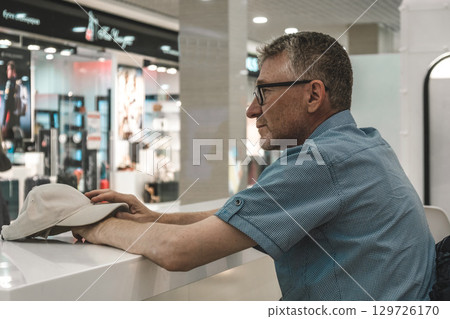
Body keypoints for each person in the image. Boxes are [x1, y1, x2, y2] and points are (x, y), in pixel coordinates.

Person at [72, 32, 436, 301]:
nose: (252, 110)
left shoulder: (320, 163)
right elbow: (241, 216)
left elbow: (178, 252)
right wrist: (153, 219)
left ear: (313, 95)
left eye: (264, 92)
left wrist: (93, 225)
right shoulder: (366, 145)